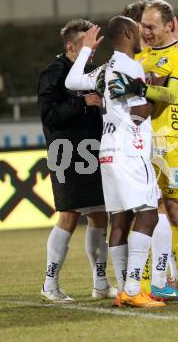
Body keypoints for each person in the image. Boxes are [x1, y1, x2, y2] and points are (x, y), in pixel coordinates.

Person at [65, 17, 167, 307]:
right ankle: (134, 288)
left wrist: (85, 51)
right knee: (148, 215)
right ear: (127, 33)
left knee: (120, 218)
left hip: (108, 151)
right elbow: (139, 114)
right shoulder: (130, 66)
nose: (142, 35)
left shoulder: (106, 68)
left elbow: (72, 81)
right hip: (130, 151)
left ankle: (124, 289)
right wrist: (158, 91)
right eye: (137, 30)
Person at [38, 19, 115, 303]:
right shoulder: (54, 73)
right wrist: (83, 102)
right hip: (66, 152)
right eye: (86, 43)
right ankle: (50, 284)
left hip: (93, 151)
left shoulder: (91, 72)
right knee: (68, 216)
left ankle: (101, 283)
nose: (93, 48)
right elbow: (49, 116)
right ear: (70, 47)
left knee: (99, 215)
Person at [135, 0, 178, 304]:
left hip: (171, 143)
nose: (143, 31)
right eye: (141, 25)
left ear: (169, 25)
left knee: (175, 209)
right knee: (144, 211)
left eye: (150, 26)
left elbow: (173, 93)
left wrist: (136, 88)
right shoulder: (138, 55)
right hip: (140, 143)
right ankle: (144, 283)